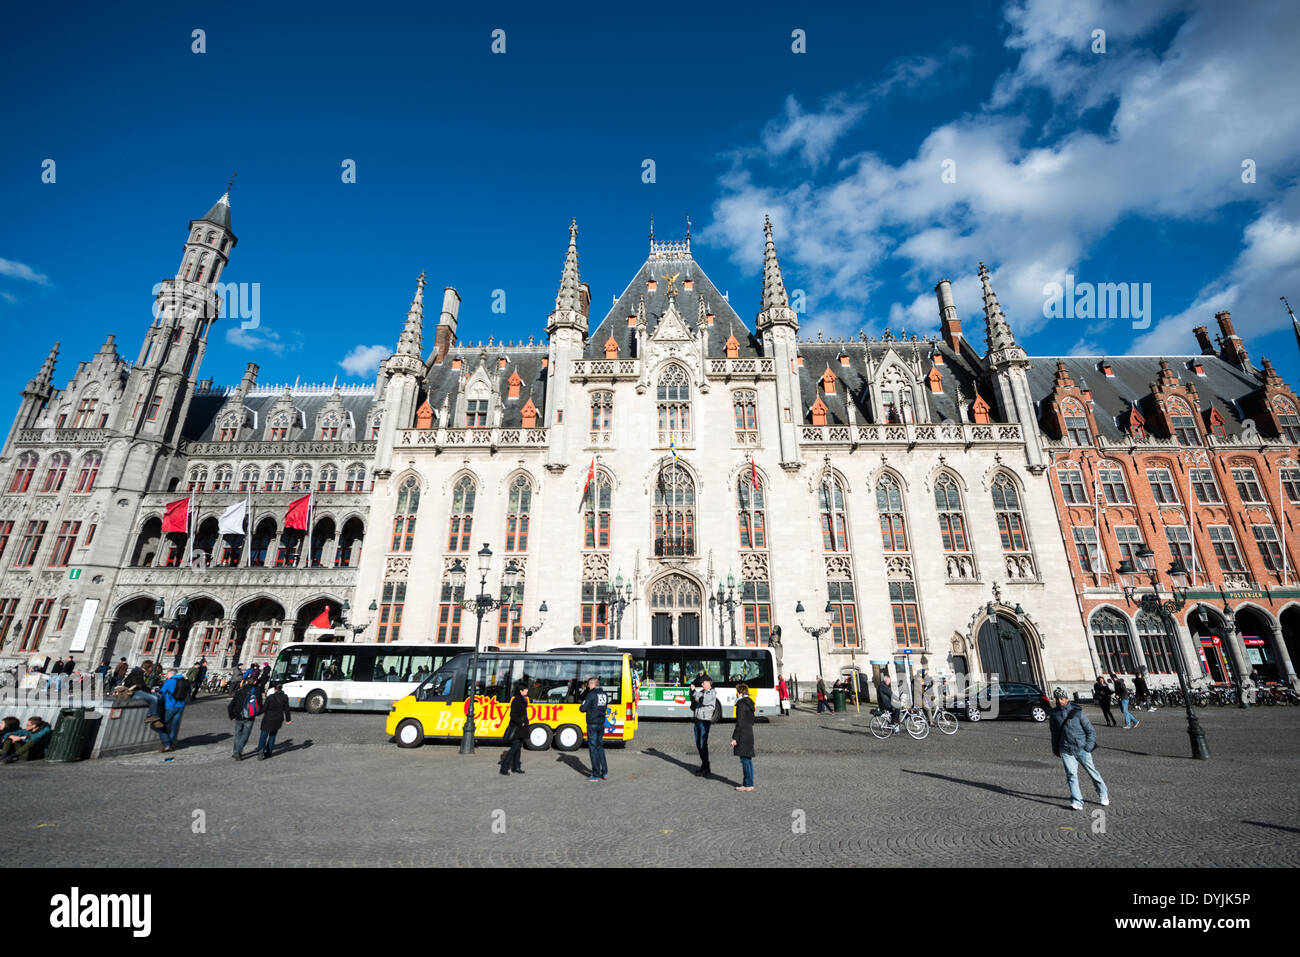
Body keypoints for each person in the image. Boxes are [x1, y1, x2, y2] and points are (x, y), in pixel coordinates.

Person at [1049, 687, 1109, 811]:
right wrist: (1055, 748)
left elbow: (1091, 731)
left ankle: (1103, 794)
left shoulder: (1078, 712)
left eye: (1062, 698)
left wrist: (1088, 747)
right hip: (1066, 749)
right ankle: (1077, 801)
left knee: (1092, 772)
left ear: (1067, 698)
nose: (1060, 701)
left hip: (1082, 748)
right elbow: (1054, 732)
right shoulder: (1054, 714)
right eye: (1057, 699)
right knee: (1071, 775)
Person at [578, 676, 609, 782]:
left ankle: (595, 774)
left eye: (588, 684)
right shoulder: (604, 694)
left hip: (592, 723)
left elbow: (582, 708)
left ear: (592, 684)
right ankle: (604, 772)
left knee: (593, 748)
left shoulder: (591, 694)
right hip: (601, 723)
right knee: (600, 747)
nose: (588, 686)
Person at [227, 674, 263, 760]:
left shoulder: (240, 691)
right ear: (255, 682)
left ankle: (236, 751)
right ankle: (238, 751)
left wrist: (232, 715)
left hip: (239, 716)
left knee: (237, 734)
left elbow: (231, 705)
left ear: (246, 682)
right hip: (250, 716)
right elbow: (259, 705)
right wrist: (257, 713)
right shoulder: (257, 690)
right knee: (245, 735)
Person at [500, 680, 530, 776]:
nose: (527, 691)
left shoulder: (523, 699)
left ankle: (516, 767)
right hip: (516, 727)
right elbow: (512, 714)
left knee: (518, 747)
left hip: (521, 728)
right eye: (525, 689)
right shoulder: (516, 700)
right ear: (521, 691)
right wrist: (520, 723)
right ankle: (504, 768)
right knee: (514, 747)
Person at [689, 676, 717, 777]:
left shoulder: (712, 693)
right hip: (697, 720)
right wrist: (691, 692)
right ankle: (704, 766)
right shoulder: (702, 691)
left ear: (709, 683)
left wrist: (694, 691)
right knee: (698, 744)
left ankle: (706, 767)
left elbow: (702, 700)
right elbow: (695, 700)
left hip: (704, 721)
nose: (701, 684)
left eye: (703, 683)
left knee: (702, 744)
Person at [155, 670, 189, 753]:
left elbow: (161, 693)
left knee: (161, 724)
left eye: (167, 675)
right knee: (174, 726)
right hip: (181, 706)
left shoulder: (170, 681)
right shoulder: (185, 681)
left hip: (170, 706)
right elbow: (189, 692)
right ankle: (171, 744)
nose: (166, 677)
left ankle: (166, 745)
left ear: (170, 675)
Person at [731, 683, 756, 791]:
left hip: (743, 735)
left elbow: (739, 723)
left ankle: (747, 784)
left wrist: (735, 738)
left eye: (737, 692)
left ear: (740, 693)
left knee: (745, 760)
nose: (736, 694)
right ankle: (749, 783)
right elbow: (751, 720)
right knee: (748, 759)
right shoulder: (749, 703)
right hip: (749, 732)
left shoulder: (741, 704)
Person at [124, 661, 163, 728]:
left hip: (137, 690)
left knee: (157, 696)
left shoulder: (139, 672)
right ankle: (152, 717)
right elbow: (140, 685)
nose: (152, 670)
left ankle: (152, 717)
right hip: (134, 692)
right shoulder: (137, 673)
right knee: (154, 698)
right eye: (151, 668)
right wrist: (149, 691)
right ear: (148, 667)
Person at [257, 682, 291, 759]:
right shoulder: (285, 697)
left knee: (263, 735)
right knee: (272, 735)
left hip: (268, 719)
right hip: (278, 719)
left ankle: (261, 751)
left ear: (275, 689)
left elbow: (264, 709)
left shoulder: (270, 697)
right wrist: (288, 719)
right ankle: (269, 752)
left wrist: (257, 713)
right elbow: (287, 709)